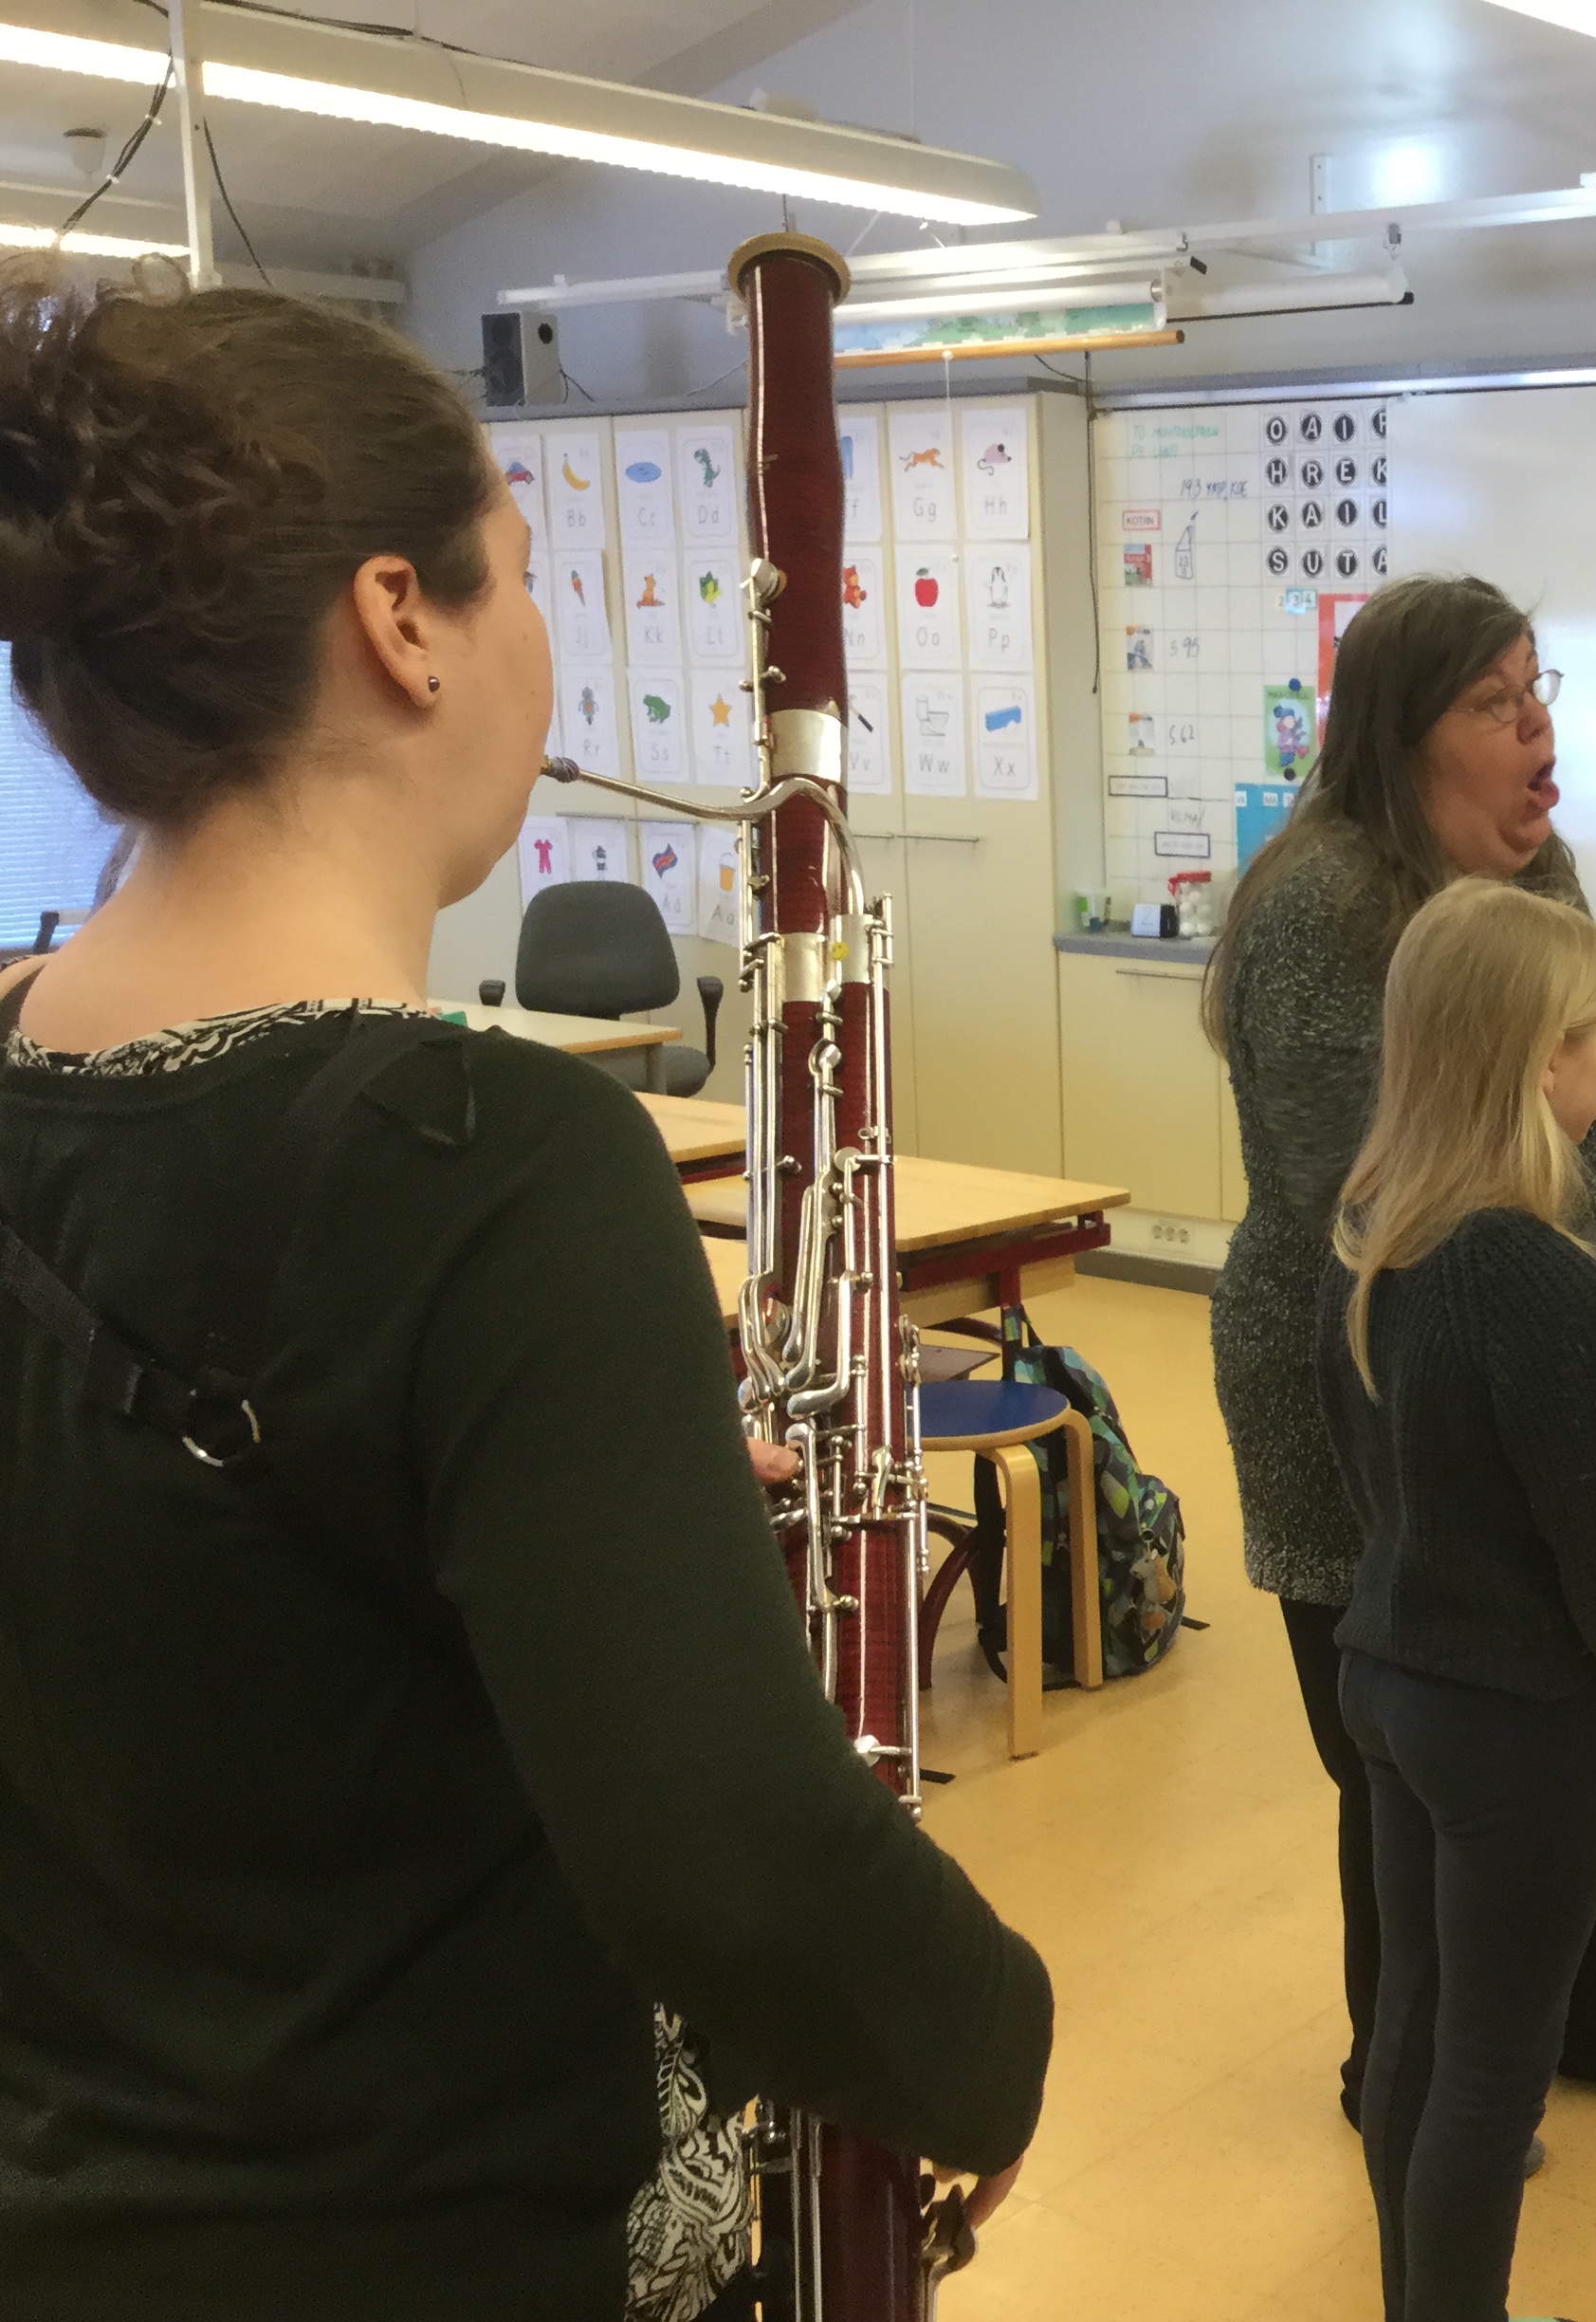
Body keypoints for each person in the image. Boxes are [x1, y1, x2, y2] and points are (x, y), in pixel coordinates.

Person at [0, 267, 1049, 2322]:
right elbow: (742, 1872)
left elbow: (202, 1610)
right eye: (523, 567)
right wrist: (984, 2042)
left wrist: (586, 1510)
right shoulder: (497, 1164)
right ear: (401, 621)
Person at [1205, 573, 1596, 2129]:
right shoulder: (1322, 903)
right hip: (1361, 1379)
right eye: (1494, 702)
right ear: (1401, 734)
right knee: (1411, 1762)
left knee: (1572, 1723)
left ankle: (1585, 2004)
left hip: (1535, 1356)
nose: (1535, 727)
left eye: (1537, 688)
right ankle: (1411, 2077)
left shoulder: (1529, 869)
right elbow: (1354, 1188)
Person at [1319, 879, 1596, 2322]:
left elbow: (1365, 1476)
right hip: (1516, 1725)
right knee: (1489, 2074)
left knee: (1412, 2036)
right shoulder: (1546, 1285)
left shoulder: (1368, 1237)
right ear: (1544, 1061)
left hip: (1388, 1682)